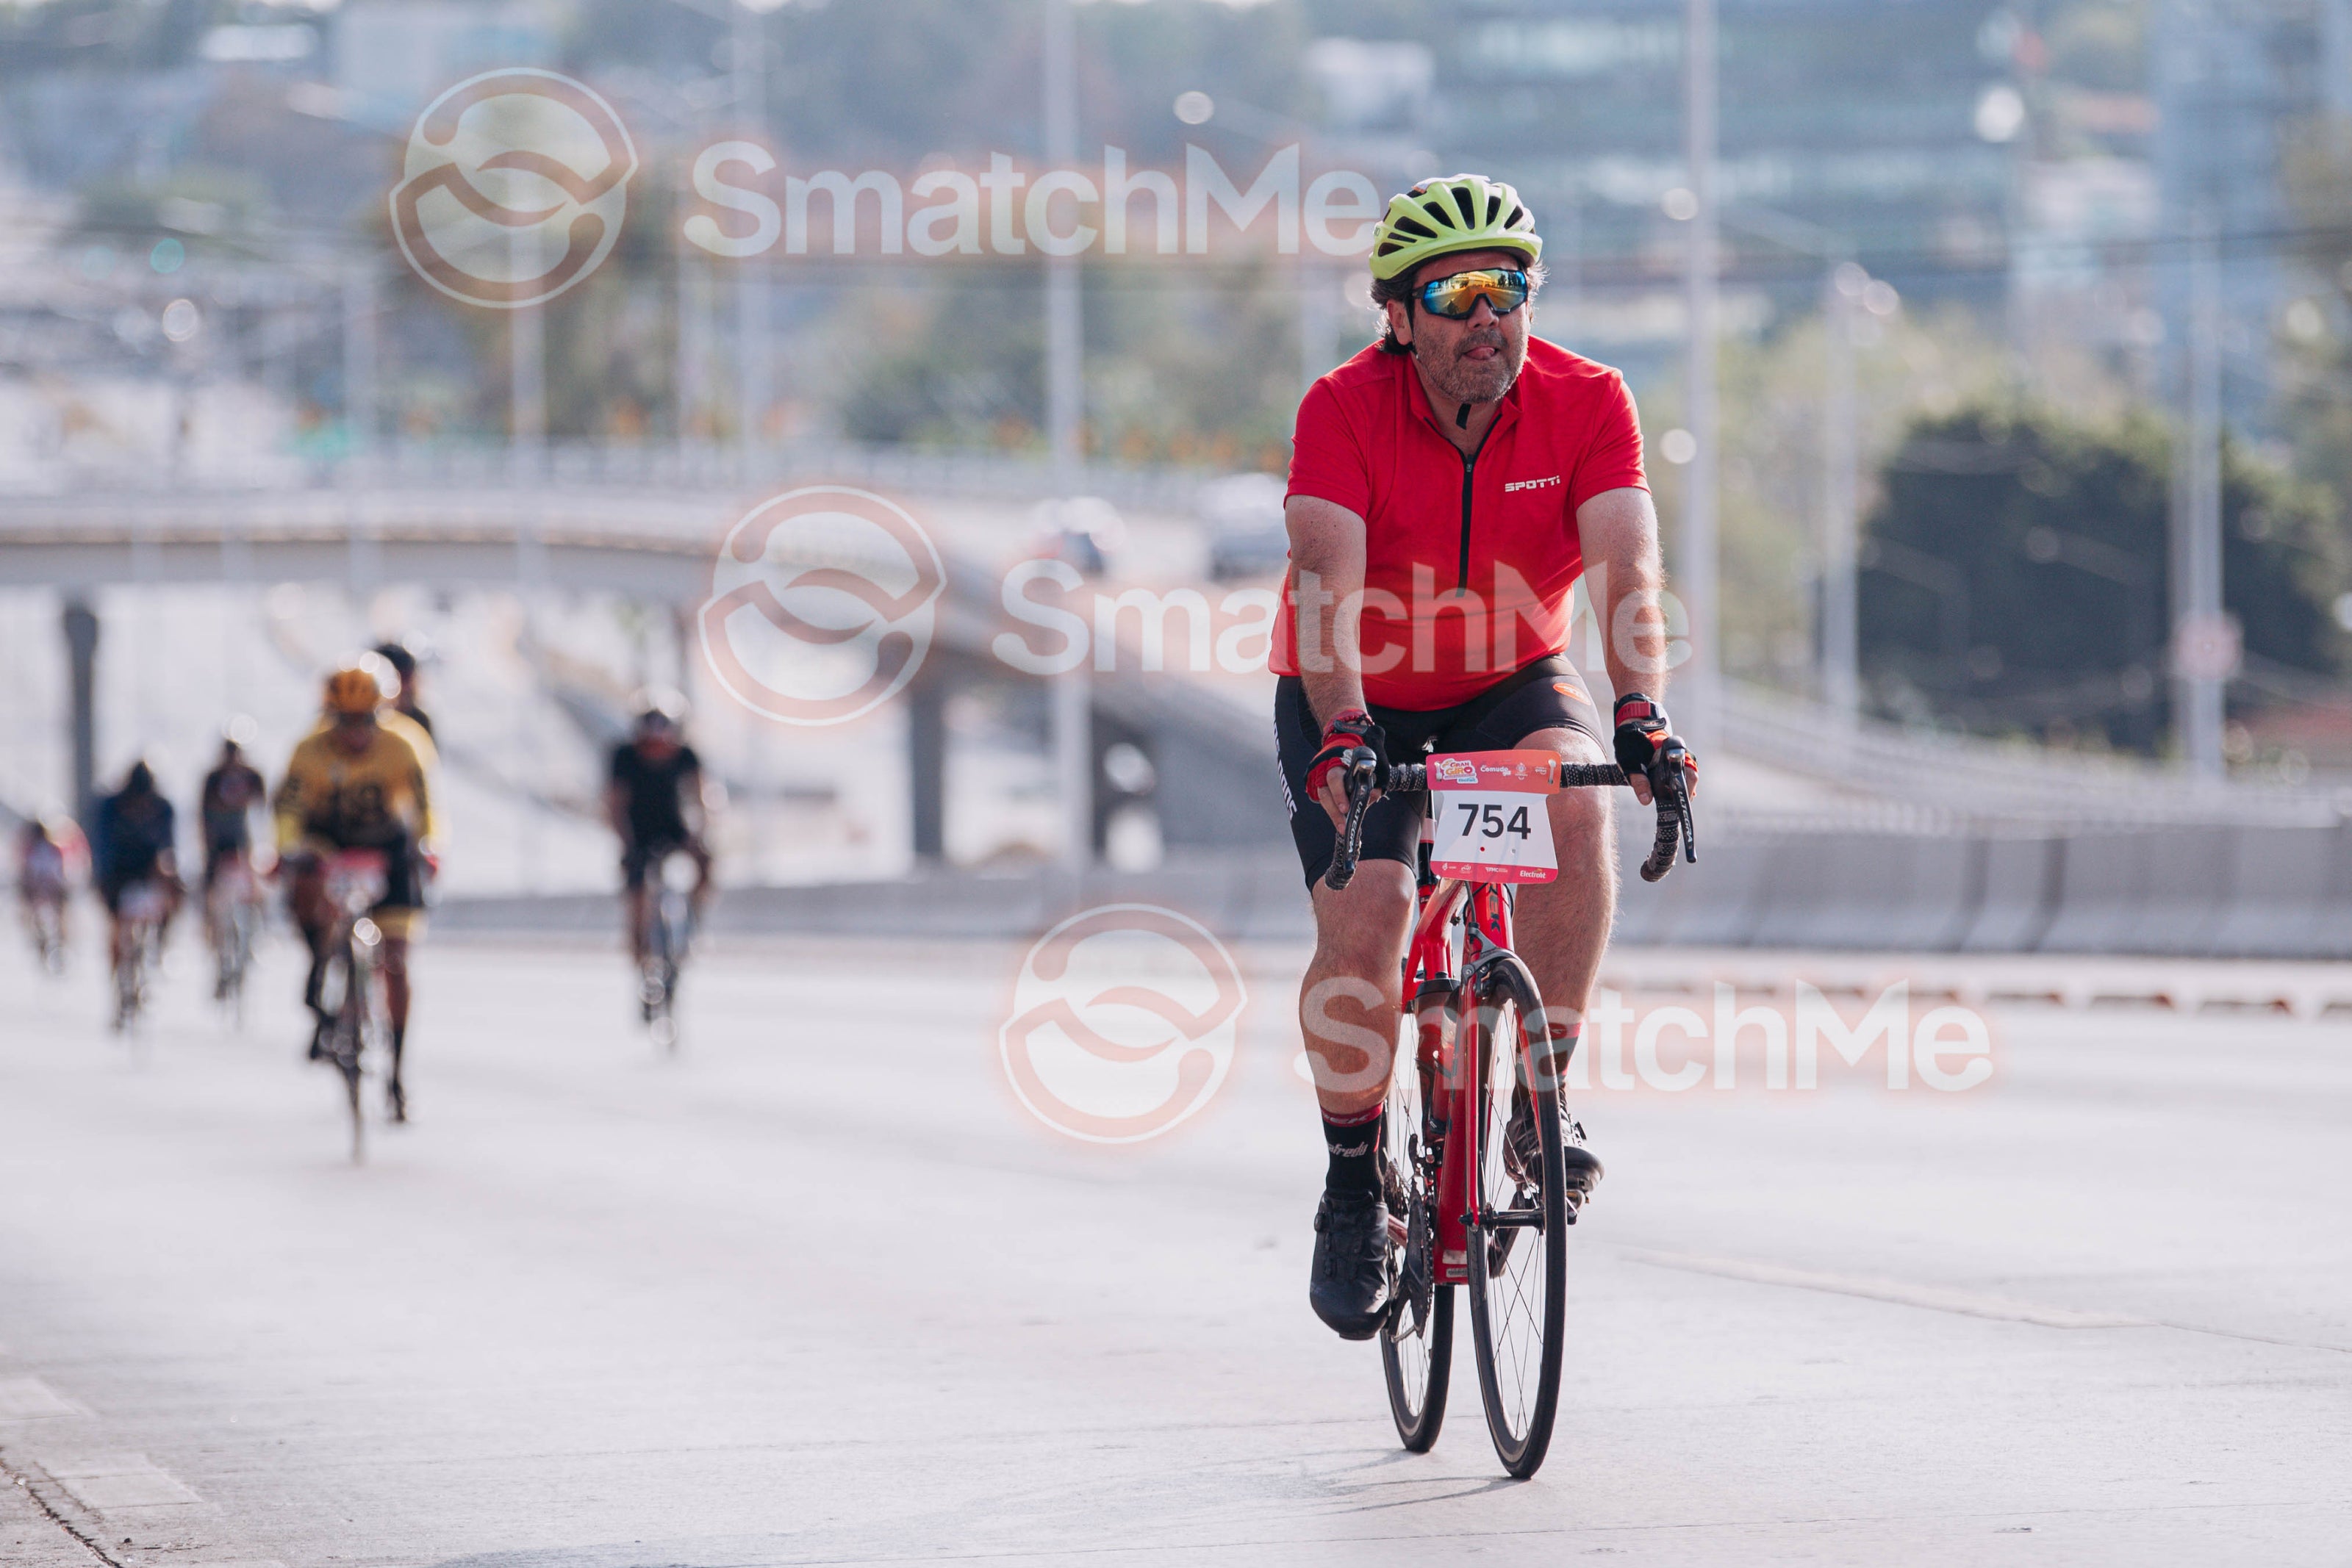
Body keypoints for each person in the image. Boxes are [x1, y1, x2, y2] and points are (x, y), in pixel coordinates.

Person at [1277, 175, 1698, 1338]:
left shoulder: (1588, 399)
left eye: (1505, 288)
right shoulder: (1342, 408)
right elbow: (1325, 586)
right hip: (1357, 691)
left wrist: (1643, 712)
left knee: (1577, 808)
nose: (1485, 317)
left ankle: (1539, 1099)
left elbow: (1625, 571)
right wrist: (1346, 732)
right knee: (1367, 915)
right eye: (1452, 293)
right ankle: (1352, 1182)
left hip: (1508, 683)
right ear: (1397, 315)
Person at [275, 655, 441, 1123]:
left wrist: (431, 847)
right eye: (343, 721)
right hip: (329, 846)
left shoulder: (406, 744)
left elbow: (427, 807)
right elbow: (287, 810)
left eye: (364, 721)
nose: (354, 733)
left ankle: (397, 1077)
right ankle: (321, 974)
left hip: (387, 849)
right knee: (307, 893)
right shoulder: (308, 751)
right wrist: (288, 850)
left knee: (397, 960)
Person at [603, 688, 712, 969]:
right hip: (638, 832)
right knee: (638, 892)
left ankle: (693, 924)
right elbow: (614, 805)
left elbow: (701, 799)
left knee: (705, 864)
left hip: (674, 828)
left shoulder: (685, 755)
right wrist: (626, 842)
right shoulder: (625, 757)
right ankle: (640, 951)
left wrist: (699, 835)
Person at [91, 760, 184, 979]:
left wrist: (168, 871)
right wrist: (103, 879)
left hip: (151, 868)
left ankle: (162, 938)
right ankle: (116, 970)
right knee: (116, 922)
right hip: (118, 870)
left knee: (177, 893)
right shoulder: (111, 807)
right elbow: (102, 848)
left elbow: (169, 846)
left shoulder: (163, 808)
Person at [15, 816, 79, 970]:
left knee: (60, 917)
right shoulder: (31, 850)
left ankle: (60, 944)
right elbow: (27, 873)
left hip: (52, 889)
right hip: (38, 889)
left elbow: (60, 872)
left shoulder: (54, 849)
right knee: (37, 917)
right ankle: (42, 940)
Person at [373, 639, 434, 741]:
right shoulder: (361, 721)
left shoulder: (420, 720)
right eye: (394, 679)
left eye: (406, 678)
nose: (402, 688)